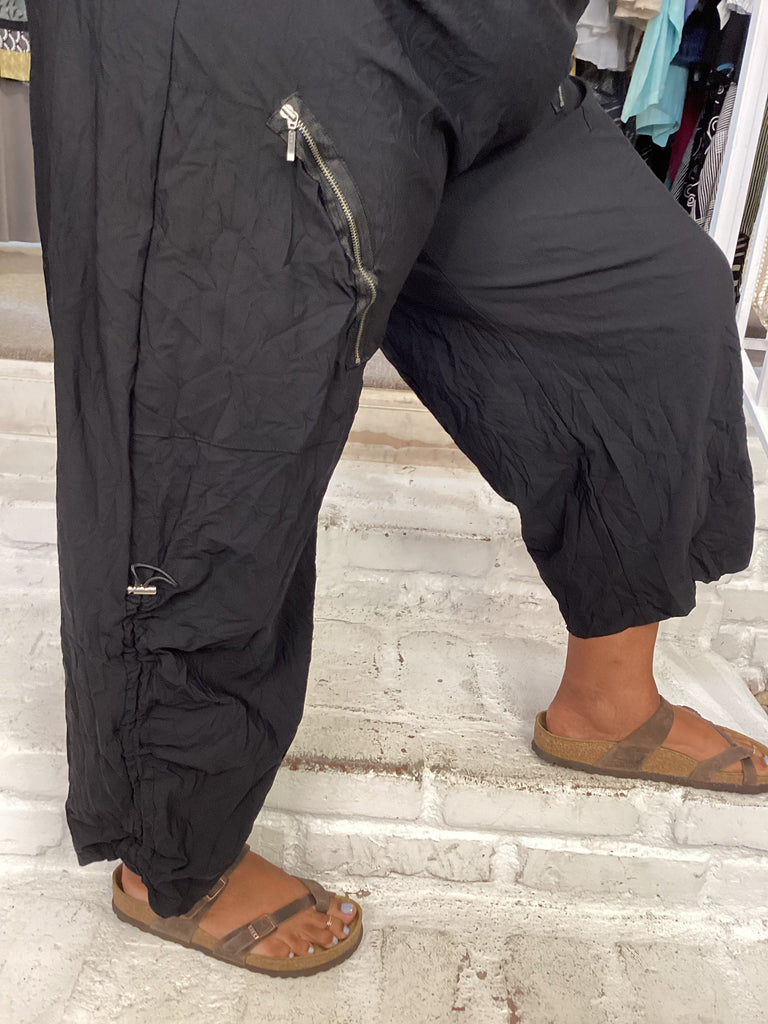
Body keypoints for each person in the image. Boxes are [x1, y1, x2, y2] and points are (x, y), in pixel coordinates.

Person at [27, 0, 764, 978]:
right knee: (210, 440)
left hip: (488, 39)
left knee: (655, 304)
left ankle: (608, 704)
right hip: (260, 34)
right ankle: (175, 860)